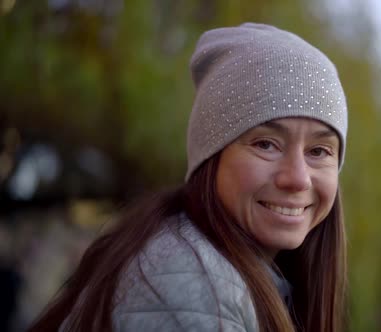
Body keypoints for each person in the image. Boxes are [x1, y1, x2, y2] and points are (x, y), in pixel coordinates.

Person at [29, 22, 348, 332]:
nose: (298, 179)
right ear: (211, 155)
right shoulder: (187, 284)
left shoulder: (239, 274)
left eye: (319, 151)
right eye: (266, 144)